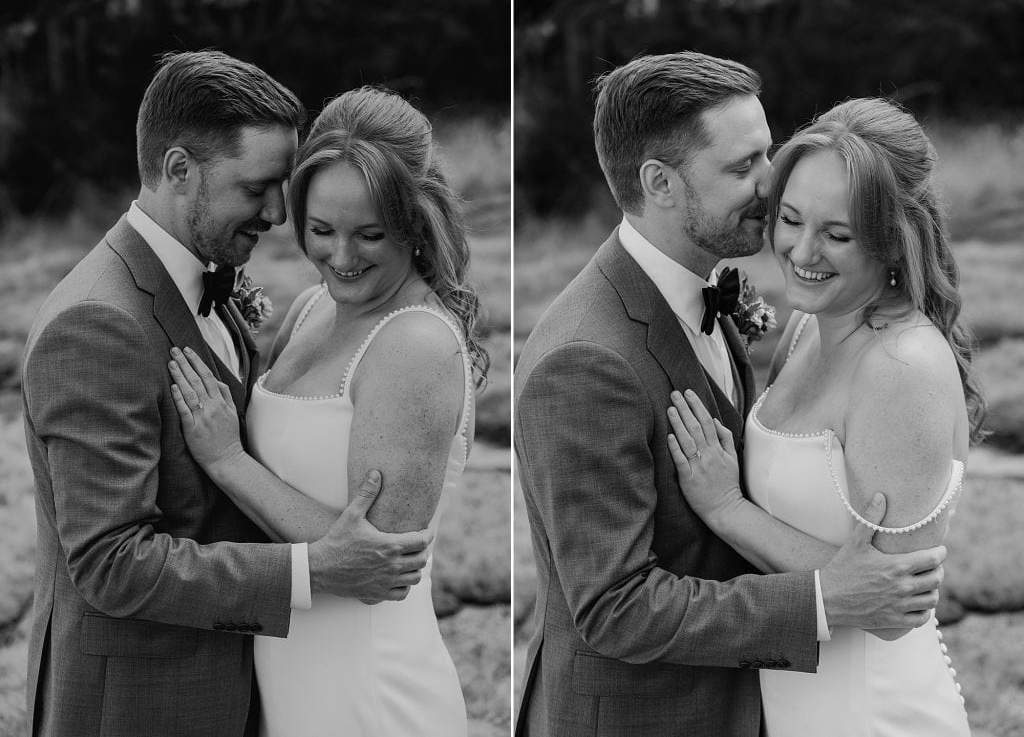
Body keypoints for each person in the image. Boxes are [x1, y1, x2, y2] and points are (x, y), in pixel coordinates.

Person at [514, 52, 949, 736]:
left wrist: (732, 511)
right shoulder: (585, 362)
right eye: (742, 166)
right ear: (660, 183)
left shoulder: (712, 295)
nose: (771, 182)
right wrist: (819, 598)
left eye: (767, 152)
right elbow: (614, 608)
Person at [21, 52, 433, 737]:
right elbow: (110, 562)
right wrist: (311, 570)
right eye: (258, 187)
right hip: (137, 709)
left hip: (242, 693)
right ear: (180, 170)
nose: (278, 213)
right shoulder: (97, 325)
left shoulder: (204, 277)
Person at [166, 85, 486, 736]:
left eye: (370, 234)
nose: (340, 259)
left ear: (416, 223)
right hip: (289, 661)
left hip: (366, 686)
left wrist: (226, 459)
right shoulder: (315, 308)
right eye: (321, 231)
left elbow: (374, 563)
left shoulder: (413, 343)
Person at [667, 97, 980, 735]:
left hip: (867, 711)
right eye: (789, 218)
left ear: (895, 238)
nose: (800, 251)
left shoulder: (899, 368)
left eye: (837, 234)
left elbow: (892, 603)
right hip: (792, 696)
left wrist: (728, 510)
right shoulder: (809, 325)